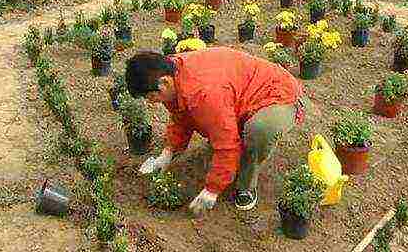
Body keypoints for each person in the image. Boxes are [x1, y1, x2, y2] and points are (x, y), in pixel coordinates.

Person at [125, 46, 317, 216]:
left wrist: (212, 190)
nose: (150, 102)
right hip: (240, 96)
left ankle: (246, 186)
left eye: (150, 96)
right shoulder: (173, 73)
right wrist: (167, 153)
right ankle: (237, 130)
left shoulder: (203, 93)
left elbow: (227, 145)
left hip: (278, 94)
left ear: (164, 83)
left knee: (259, 130)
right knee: (221, 124)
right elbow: (181, 116)